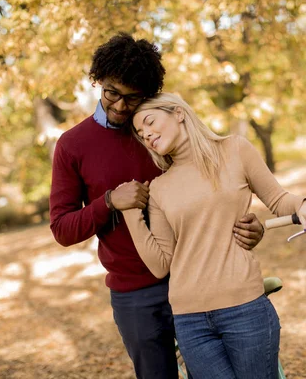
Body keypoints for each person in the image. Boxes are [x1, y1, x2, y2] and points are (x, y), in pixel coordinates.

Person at [49, 34, 265, 379]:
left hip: (199, 283)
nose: (120, 106)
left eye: (132, 98)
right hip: (135, 295)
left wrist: (254, 227)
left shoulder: (162, 131)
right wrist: (108, 202)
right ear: (97, 82)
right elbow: (62, 228)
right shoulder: (72, 145)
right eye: (111, 93)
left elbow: (214, 190)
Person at [121, 92, 306, 379]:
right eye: (140, 133)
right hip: (189, 320)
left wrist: (304, 204)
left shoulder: (234, 150)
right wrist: (130, 212)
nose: (146, 134)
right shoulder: (159, 188)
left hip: (244, 310)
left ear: (178, 113)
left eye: (149, 121)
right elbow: (160, 264)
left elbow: (278, 198)